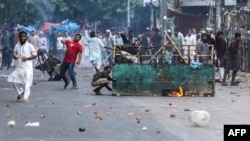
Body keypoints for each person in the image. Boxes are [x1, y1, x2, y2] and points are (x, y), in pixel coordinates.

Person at [7, 31, 37, 103]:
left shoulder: (29, 46)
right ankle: (21, 92)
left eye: (24, 36)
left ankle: (25, 98)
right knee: (14, 81)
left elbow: (35, 55)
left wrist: (27, 58)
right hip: (18, 67)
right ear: (19, 37)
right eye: (21, 36)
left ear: (26, 37)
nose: (23, 38)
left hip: (27, 67)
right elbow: (14, 55)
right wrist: (15, 56)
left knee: (27, 83)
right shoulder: (16, 46)